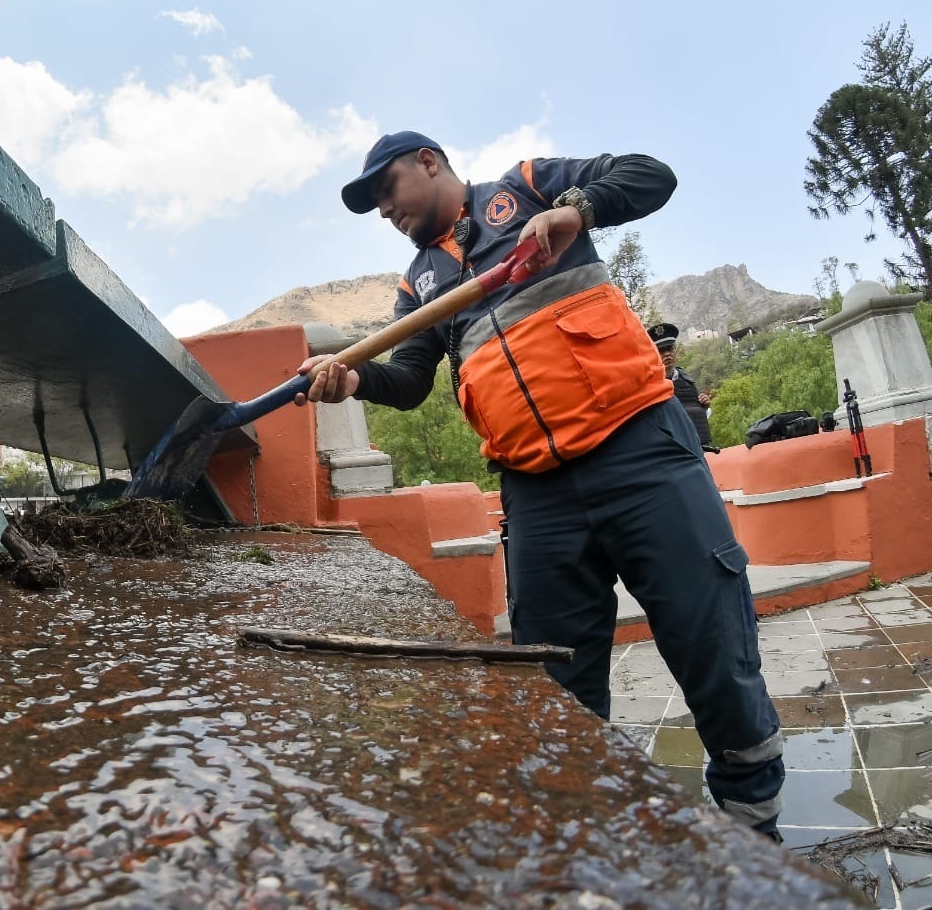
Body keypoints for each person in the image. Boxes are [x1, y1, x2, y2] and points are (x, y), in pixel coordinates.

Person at [297, 131, 784, 838]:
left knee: (714, 649)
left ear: (428, 162)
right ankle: (584, 845)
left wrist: (576, 210)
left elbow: (652, 175)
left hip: (641, 451)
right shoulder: (420, 284)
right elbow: (405, 382)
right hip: (536, 494)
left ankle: (754, 832)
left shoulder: (527, 186)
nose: (383, 210)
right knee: (555, 685)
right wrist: (353, 377)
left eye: (386, 189)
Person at [650, 321, 714, 448]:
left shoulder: (687, 379)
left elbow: (695, 413)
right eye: (661, 351)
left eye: (669, 348)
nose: (667, 354)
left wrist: (705, 406)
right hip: (674, 452)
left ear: (675, 351)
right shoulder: (651, 385)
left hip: (701, 447)